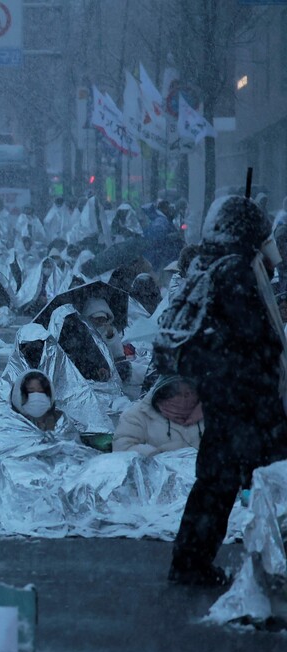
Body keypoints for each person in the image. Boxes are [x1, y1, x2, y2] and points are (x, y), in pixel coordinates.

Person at [160, 195, 287, 585]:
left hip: (225, 397)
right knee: (265, 484)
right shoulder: (237, 272)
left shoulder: (209, 265)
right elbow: (253, 341)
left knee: (217, 483)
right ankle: (265, 568)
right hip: (246, 402)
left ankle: (191, 562)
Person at [113, 376, 203, 457]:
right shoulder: (138, 415)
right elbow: (122, 450)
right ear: (163, 392)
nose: (183, 399)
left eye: (189, 392)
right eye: (175, 392)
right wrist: (155, 456)